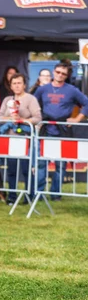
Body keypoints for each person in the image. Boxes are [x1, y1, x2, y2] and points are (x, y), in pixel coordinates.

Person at [33, 61, 88, 200]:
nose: (60, 75)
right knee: (41, 163)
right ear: (53, 72)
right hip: (45, 130)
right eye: (58, 72)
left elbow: (86, 103)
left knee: (61, 165)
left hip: (63, 131)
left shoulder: (71, 90)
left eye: (63, 74)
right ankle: (38, 193)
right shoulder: (42, 89)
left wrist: (77, 119)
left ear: (67, 75)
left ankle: (55, 194)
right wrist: (36, 120)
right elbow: (33, 104)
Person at [0, 73, 42, 205]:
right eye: (14, 83)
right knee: (11, 169)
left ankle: (29, 195)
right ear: (10, 86)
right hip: (11, 140)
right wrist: (10, 118)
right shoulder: (7, 100)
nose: (17, 86)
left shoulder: (30, 99)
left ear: (24, 85)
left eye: (19, 83)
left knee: (26, 169)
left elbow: (37, 118)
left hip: (26, 138)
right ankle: (12, 195)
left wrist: (23, 120)